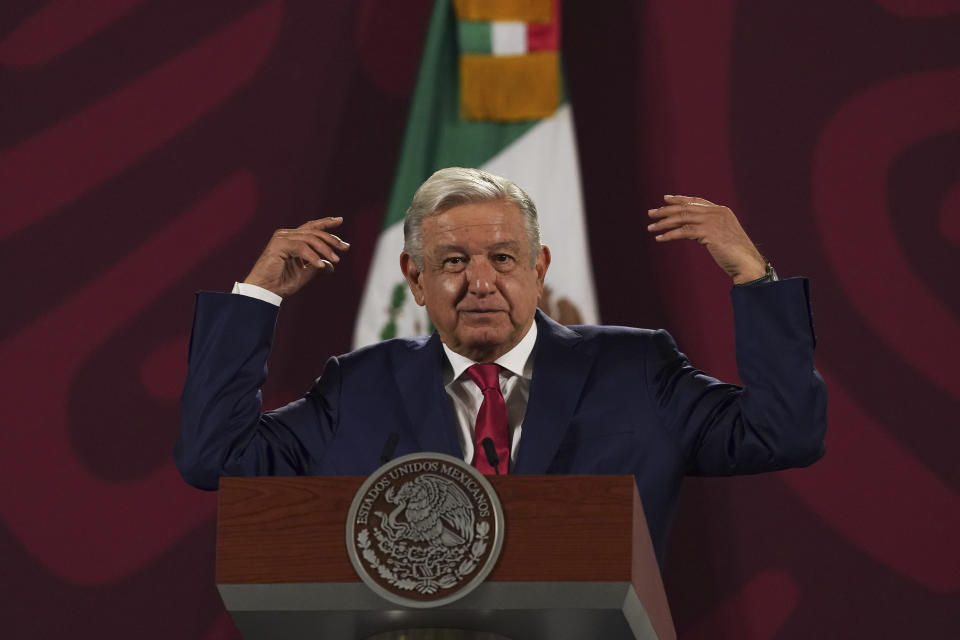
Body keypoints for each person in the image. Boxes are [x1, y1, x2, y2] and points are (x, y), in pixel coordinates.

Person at [175, 167, 826, 566]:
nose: (480, 283)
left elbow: (784, 432)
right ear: (416, 279)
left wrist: (753, 277)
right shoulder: (359, 388)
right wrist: (256, 298)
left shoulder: (636, 371)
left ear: (539, 271)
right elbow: (215, 457)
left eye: (505, 259)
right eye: (454, 261)